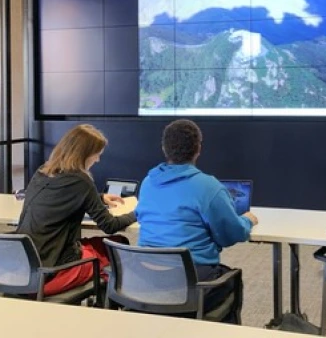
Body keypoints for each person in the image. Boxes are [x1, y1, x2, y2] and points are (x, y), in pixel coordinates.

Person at [136, 119, 258, 324]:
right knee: (231, 281)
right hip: (191, 283)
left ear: (164, 148)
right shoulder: (209, 187)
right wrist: (247, 221)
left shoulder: (148, 182)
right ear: (198, 149)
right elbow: (231, 234)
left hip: (146, 279)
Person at [16, 124, 137, 296]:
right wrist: (138, 213)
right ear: (86, 154)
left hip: (23, 266)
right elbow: (109, 225)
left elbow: (59, 197)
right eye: (97, 155)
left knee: (99, 245)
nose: (98, 160)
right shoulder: (81, 181)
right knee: (119, 245)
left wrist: (99, 198)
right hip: (52, 270)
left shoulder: (42, 172)